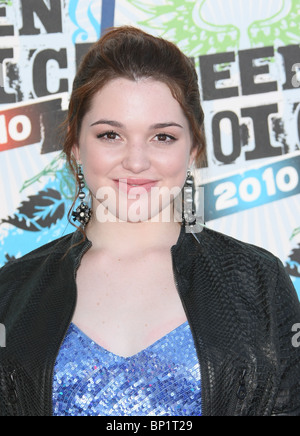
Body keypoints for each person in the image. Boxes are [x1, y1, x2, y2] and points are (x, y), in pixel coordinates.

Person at [0, 26, 299, 417]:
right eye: (110, 135)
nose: (137, 161)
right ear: (75, 145)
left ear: (193, 149)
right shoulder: (12, 294)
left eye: (162, 137)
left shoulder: (259, 282)